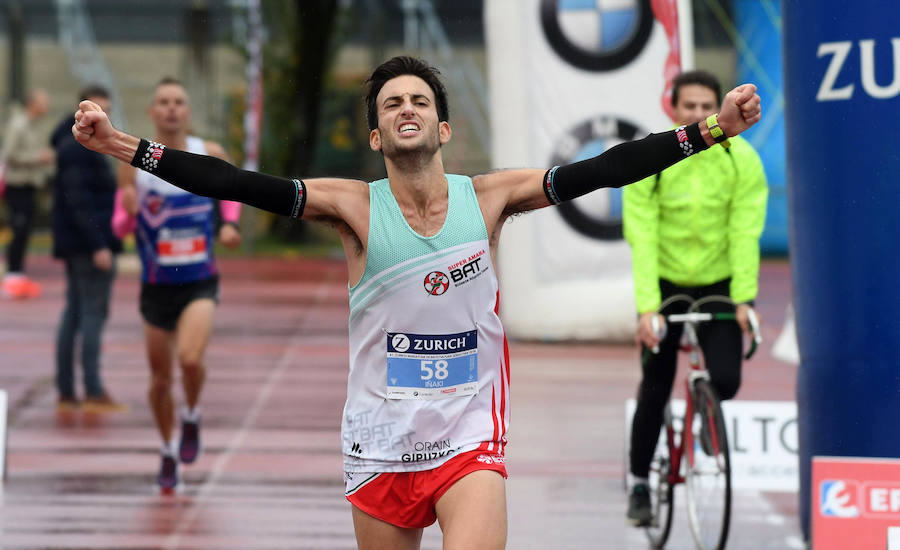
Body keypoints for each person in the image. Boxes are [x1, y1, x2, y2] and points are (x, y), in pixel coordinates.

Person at [73, 56, 761, 549]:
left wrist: (711, 131)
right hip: (379, 444)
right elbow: (233, 182)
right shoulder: (352, 208)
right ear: (376, 137)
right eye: (392, 104)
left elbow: (603, 168)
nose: (406, 108)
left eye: (420, 101)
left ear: (444, 129)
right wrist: (121, 145)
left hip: (469, 439)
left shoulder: (489, 198)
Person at [622, 69, 768, 526]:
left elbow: (745, 230)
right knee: (656, 385)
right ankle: (641, 483)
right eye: (691, 107)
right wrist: (647, 308)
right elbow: (641, 234)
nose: (701, 115)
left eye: (708, 106)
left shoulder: (741, 160)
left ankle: (707, 414)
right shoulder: (656, 158)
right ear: (674, 109)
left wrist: (743, 299)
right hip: (665, 285)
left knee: (725, 379)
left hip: (719, 284)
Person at [113, 77, 242, 492]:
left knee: (189, 359)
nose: (171, 109)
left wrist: (229, 226)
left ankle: (192, 414)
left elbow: (232, 194)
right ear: (152, 112)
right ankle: (168, 448)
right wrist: (126, 214)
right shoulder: (134, 159)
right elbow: (121, 223)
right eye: (163, 102)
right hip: (156, 285)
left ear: (187, 111)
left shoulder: (211, 153)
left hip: (199, 280)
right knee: (159, 379)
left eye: (178, 102)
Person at [50, 85, 127, 413]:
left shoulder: (74, 145)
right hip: (87, 244)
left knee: (76, 312)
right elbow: (80, 201)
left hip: (78, 242)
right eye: (99, 110)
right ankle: (92, 391)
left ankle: (68, 391)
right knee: (91, 314)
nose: (103, 118)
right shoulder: (78, 149)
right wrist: (99, 244)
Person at [1, 89, 55, 299]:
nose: (46, 106)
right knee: (19, 228)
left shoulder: (32, 125)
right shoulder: (18, 124)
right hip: (18, 186)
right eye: (43, 102)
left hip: (29, 185)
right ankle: (12, 276)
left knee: (24, 231)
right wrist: (38, 158)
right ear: (32, 104)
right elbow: (10, 155)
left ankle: (18, 274)